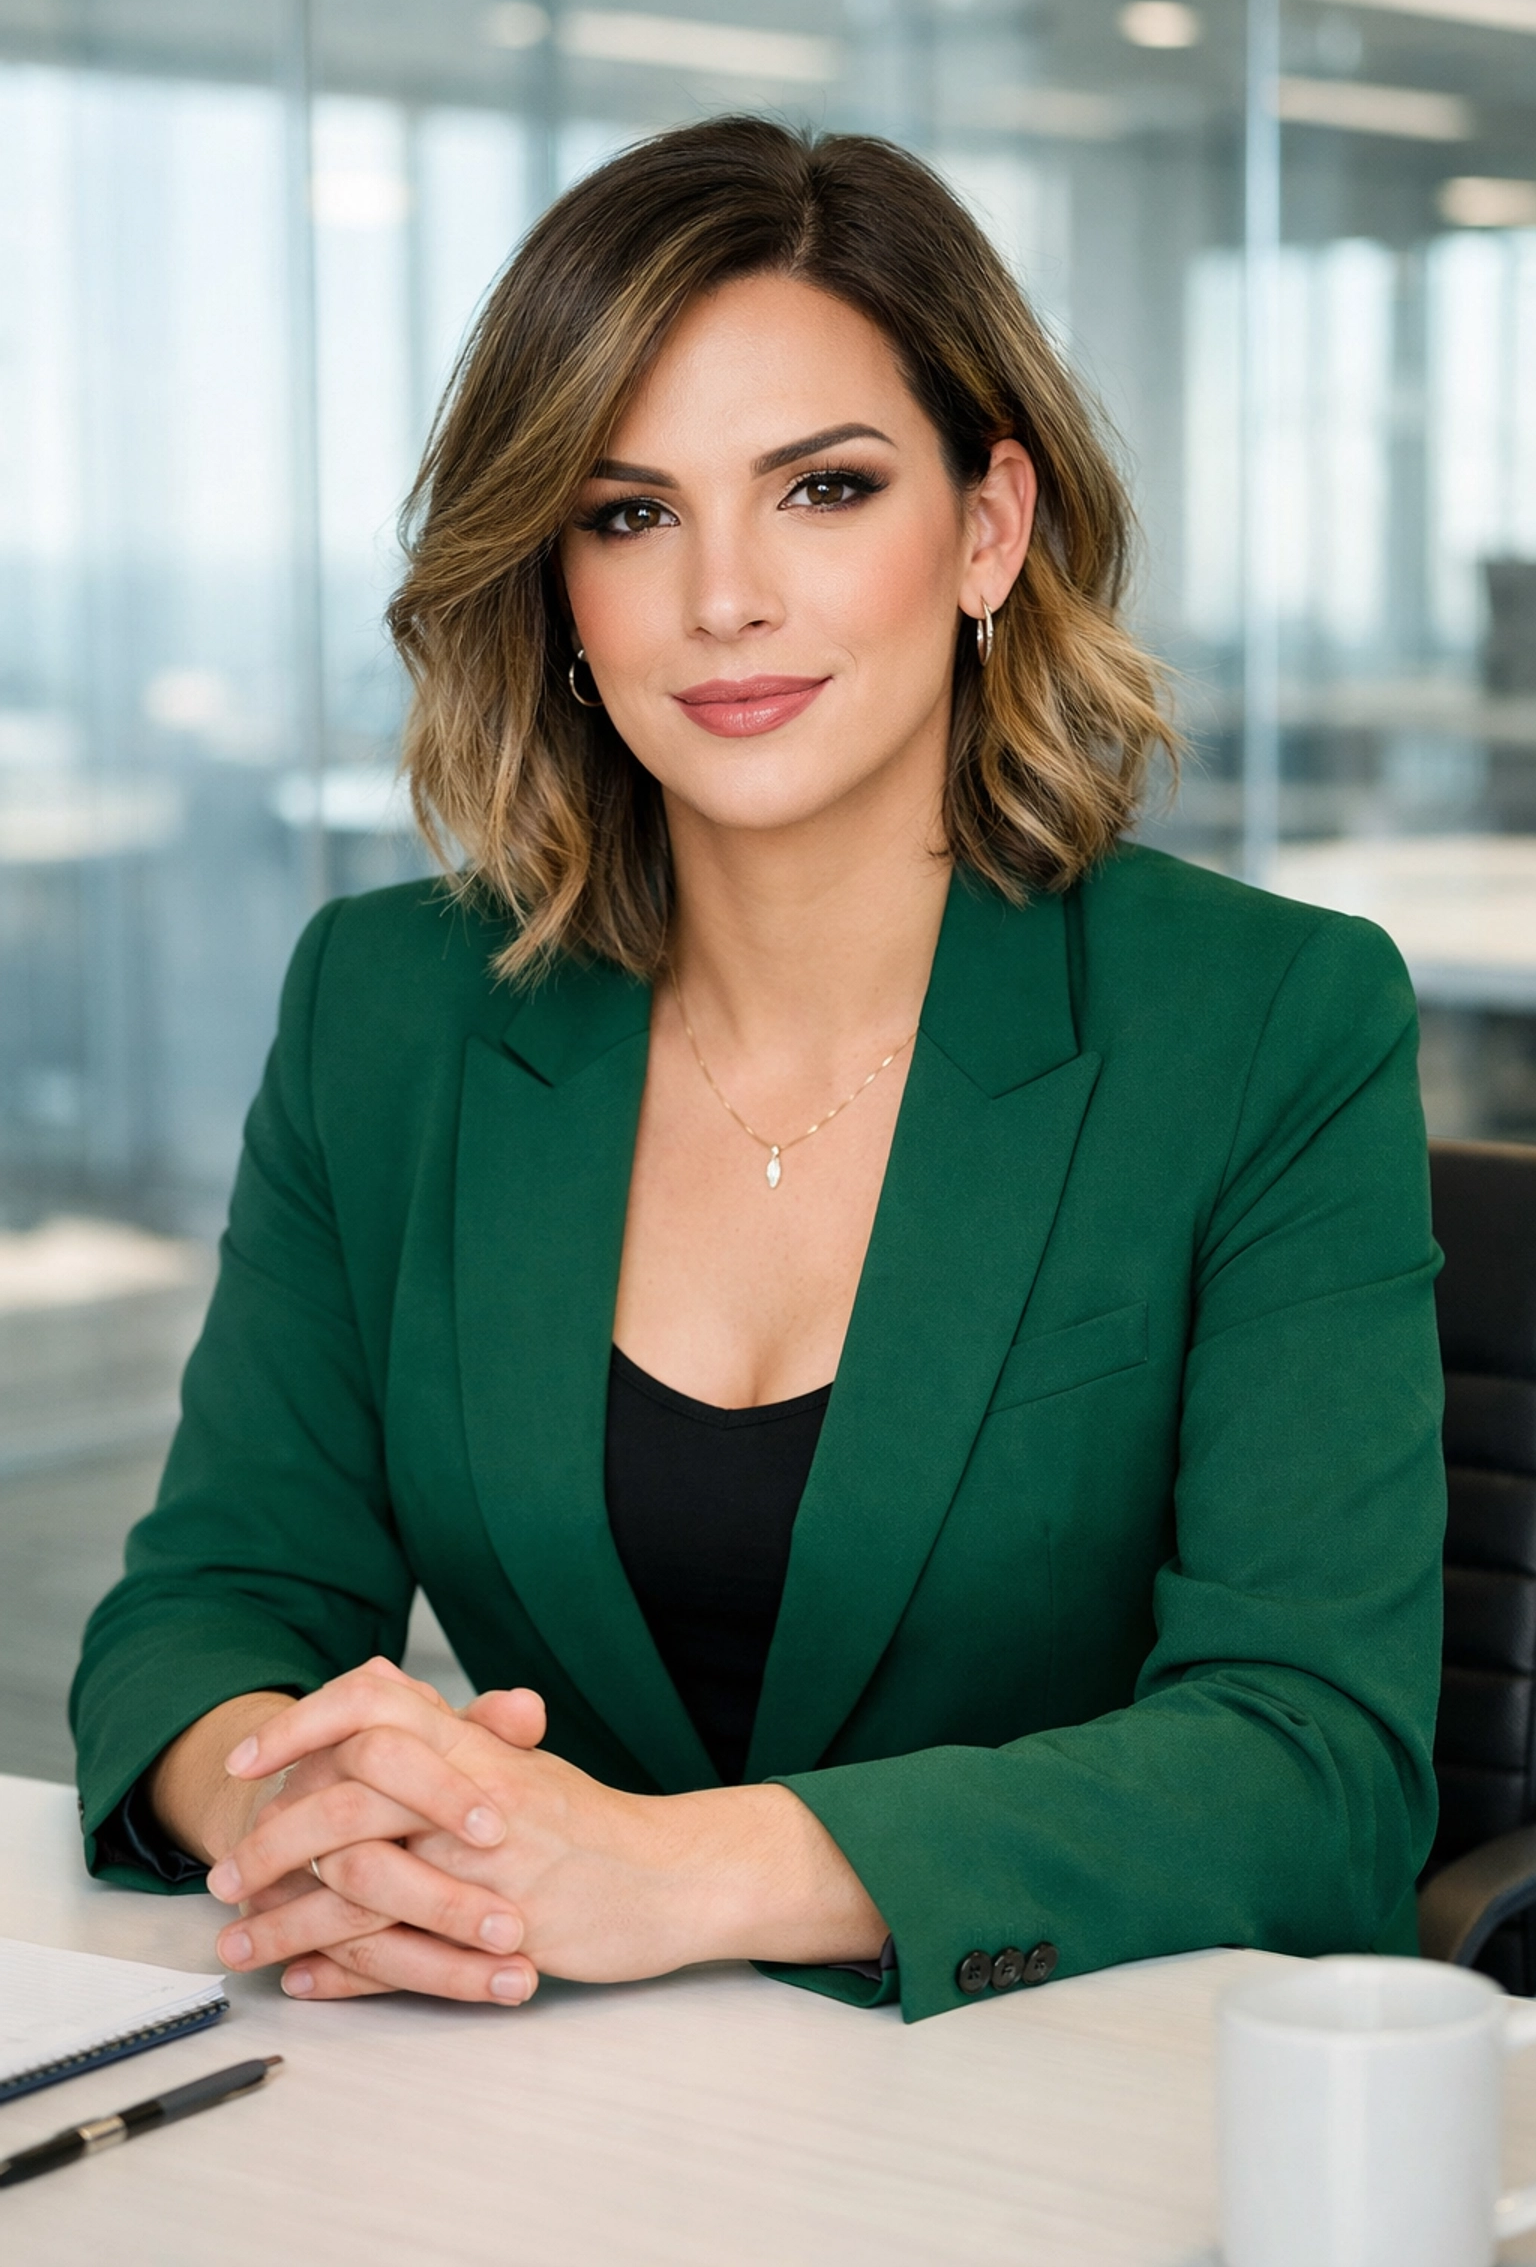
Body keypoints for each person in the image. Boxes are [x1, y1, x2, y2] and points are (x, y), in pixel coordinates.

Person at [71, 117, 1446, 2025]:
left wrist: (672, 1870)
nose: (723, 596)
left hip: (1065, 2090)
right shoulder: (389, 1009)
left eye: (823, 489)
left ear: (988, 529)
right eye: (629, 514)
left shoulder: (1267, 1020)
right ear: (555, 581)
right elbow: (211, 1604)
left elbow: (1317, 1761)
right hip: (538, 2073)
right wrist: (309, 1813)